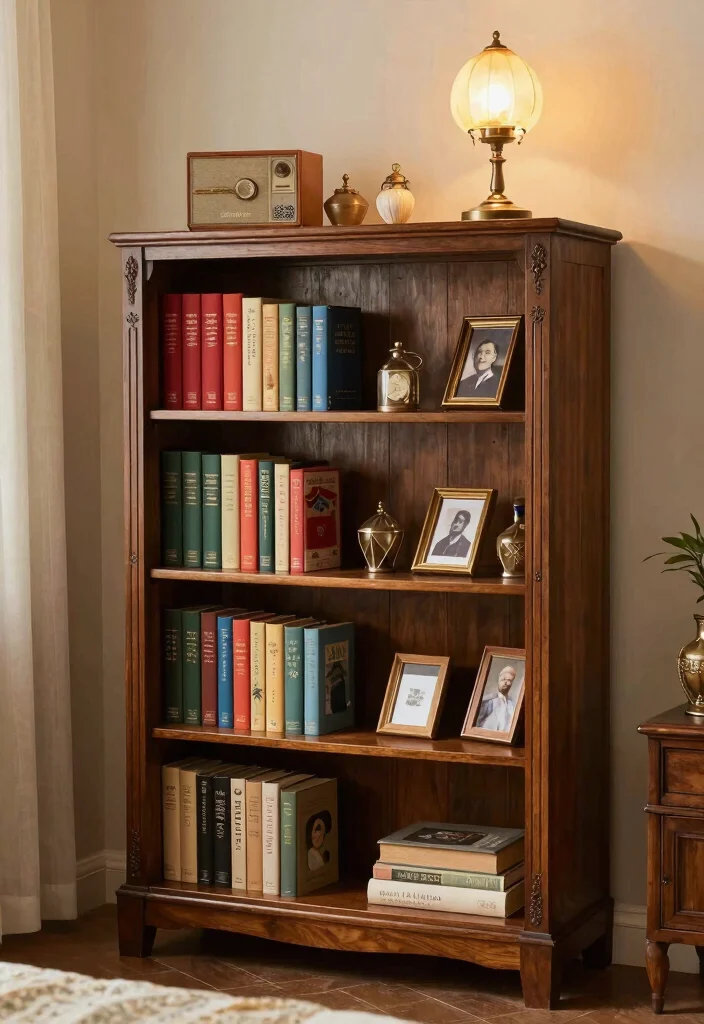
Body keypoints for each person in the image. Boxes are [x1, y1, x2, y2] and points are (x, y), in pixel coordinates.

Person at [477, 664, 517, 731]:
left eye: (509, 680)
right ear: (498, 680)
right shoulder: (490, 701)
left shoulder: (511, 705)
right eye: (503, 679)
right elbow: (478, 724)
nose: (506, 682)